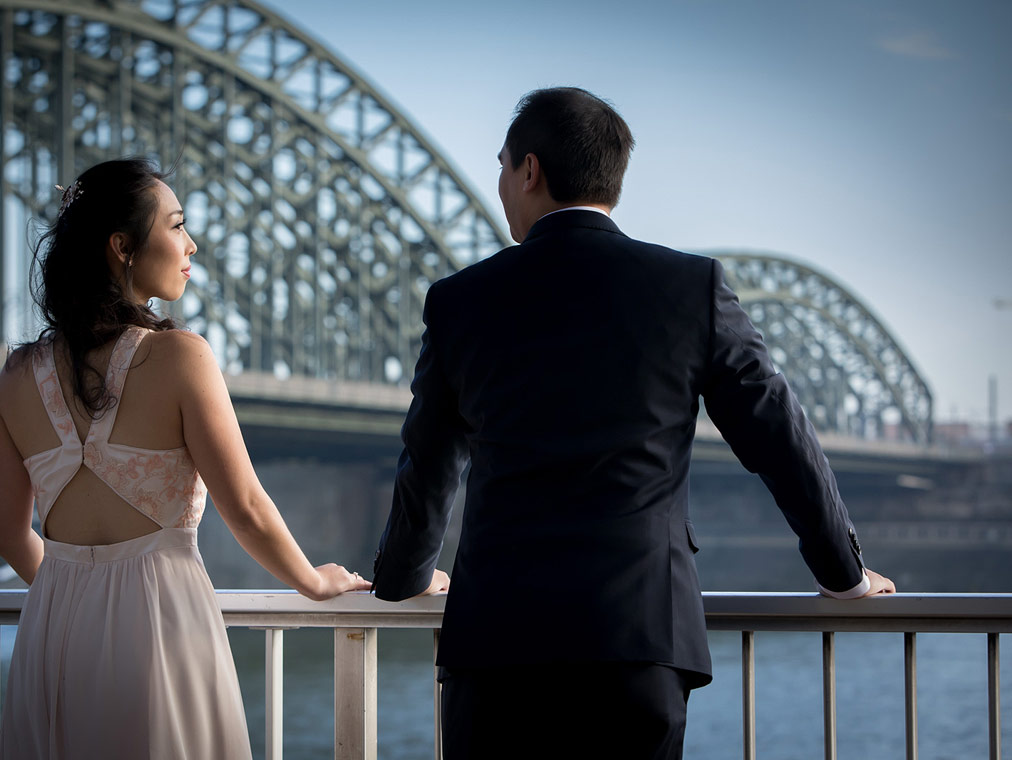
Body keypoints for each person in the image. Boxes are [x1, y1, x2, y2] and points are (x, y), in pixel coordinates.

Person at [370, 87, 895, 759]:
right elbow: (779, 438)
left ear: (529, 170)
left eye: (502, 165)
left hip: (499, 647)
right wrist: (843, 573)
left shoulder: (459, 301)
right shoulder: (691, 288)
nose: (501, 184)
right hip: (640, 640)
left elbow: (429, 464)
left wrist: (405, 579)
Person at [0, 158, 371, 759]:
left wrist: (82, 599)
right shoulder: (181, 357)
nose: (191, 243)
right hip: (160, 627)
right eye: (176, 225)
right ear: (123, 247)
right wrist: (313, 581)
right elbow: (242, 504)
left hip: (54, 633)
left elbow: (7, 535)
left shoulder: (12, 380)